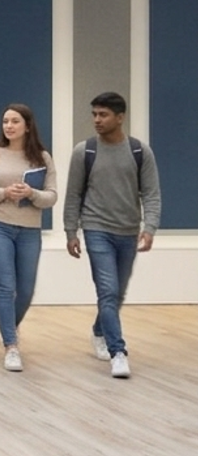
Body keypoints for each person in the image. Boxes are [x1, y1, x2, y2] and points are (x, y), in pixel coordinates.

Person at [63, 92, 161, 380]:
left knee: (117, 292)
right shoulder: (85, 151)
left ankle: (99, 330)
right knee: (107, 290)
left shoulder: (140, 152)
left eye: (103, 115)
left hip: (128, 230)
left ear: (120, 117)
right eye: (94, 114)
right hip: (96, 229)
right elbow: (73, 194)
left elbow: (151, 193)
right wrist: (71, 231)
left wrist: (150, 228)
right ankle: (118, 352)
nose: (97, 120)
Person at [0, 104, 57, 372]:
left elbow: (51, 196)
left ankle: (10, 326)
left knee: (26, 290)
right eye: (5, 121)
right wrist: (4, 192)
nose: (9, 126)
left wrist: (31, 193)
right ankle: (11, 345)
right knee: (6, 287)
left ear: (27, 126)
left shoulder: (42, 158)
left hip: (30, 230)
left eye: (15, 121)